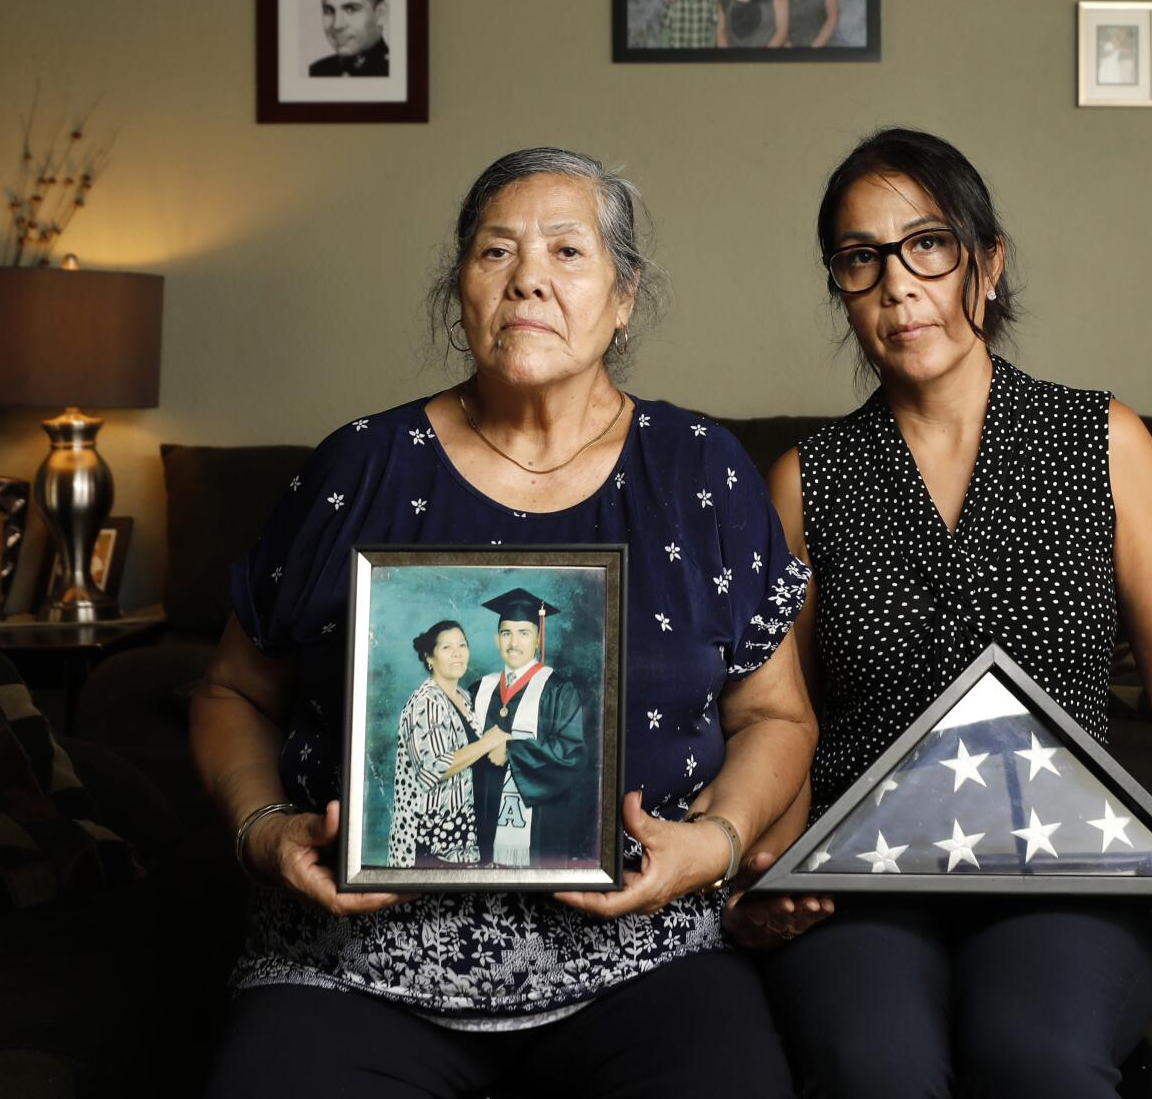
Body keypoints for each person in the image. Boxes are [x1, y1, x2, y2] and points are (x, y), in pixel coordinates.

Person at [193, 146, 815, 1098]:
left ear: (624, 294)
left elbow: (777, 718)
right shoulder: (355, 468)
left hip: (640, 962)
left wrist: (717, 845)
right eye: (496, 252)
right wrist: (261, 830)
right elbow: (233, 691)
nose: (528, 276)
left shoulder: (703, 472)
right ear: (461, 291)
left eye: (568, 251)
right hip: (353, 967)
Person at [727, 127, 1152, 1099]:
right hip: (861, 874)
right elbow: (783, 710)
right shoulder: (805, 481)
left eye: (927, 245)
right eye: (860, 259)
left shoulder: (1101, 442)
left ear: (985, 265)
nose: (896, 283)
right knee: (876, 1067)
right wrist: (772, 866)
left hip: (1063, 864)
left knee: (1030, 1058)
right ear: (843, 291)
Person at [469, 590, 591, 866]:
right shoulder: (479, 689)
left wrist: (512, 750)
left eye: (523, 633)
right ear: (496, 639)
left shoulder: (558, 689)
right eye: (506, 633)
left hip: (536, 832)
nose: (514, 643)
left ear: (537, 639)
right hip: (479, 827)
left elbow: (571, 755)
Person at [390, 621, 502, 868]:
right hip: (431, 831)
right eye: (447, 647)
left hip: (462, 827)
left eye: (462, 645)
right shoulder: (427, 702)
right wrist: (488, 742)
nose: (457, 653)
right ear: (429, 657)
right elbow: (434, 768)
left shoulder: (464, 697)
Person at [308, 0, 391, 77]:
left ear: (380, 14)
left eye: (351, 10)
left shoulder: (399, 73)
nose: (337, 25)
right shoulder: (316, 71)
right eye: (329, 11)